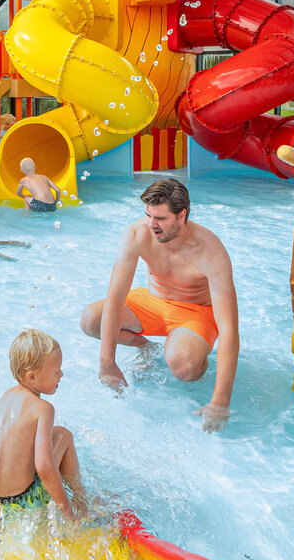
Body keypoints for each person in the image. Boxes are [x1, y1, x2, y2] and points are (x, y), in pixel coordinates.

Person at [79, 178, 239, 433]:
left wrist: (221, 400)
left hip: (195, 313)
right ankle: (146, 347)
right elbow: (116, 297)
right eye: (148, 215)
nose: (152, 224)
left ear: (182, 215)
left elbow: (229, 329)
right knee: (89, 320)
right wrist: (107, 363)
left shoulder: (210, 250)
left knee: (183, 367)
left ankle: (198, 359)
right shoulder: (137, 234)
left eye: (160, 218)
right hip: (151, 302)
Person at [0, 328, 86, 525]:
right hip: (16, 510)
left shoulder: (6, 396)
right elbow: (44, 467)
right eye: (56, 371)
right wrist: (65, 507)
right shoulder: (43, 409)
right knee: (64, 435)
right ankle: (82, 504)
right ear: (32, 377)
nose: (61, 374)